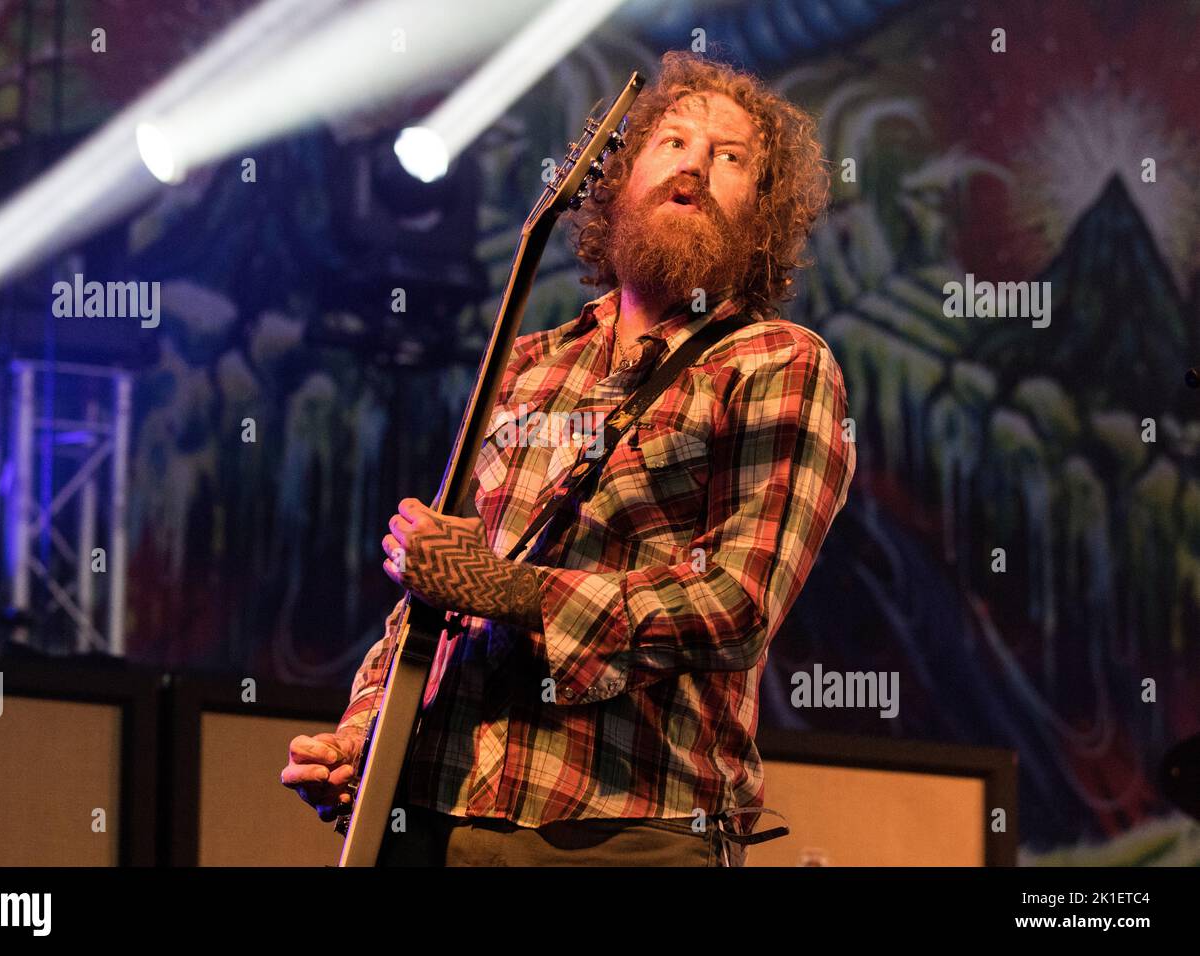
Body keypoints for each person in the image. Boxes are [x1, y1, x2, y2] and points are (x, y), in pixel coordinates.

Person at [282, 50, 856, 866]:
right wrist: (364, 737)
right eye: (672, 141)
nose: (694, 162)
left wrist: (511, 590)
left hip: (622, 829)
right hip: (435, 812)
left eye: (730, 158)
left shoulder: (777, 362)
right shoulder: (528, 364)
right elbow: (435, 595)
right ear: (616, 180)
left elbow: (737, 605)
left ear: (763, 217)